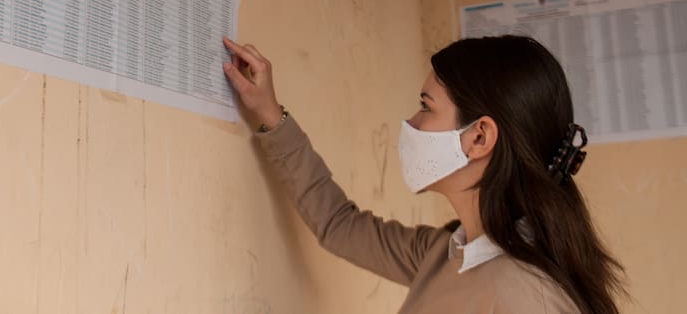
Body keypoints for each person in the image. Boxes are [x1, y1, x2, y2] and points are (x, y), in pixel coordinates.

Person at [221, 35, 626, 313]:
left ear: (479, 137)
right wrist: (271, 116)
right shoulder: (446, 253)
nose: (411, 122)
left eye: (426, 106)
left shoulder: (528, 295)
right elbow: (338, 225)